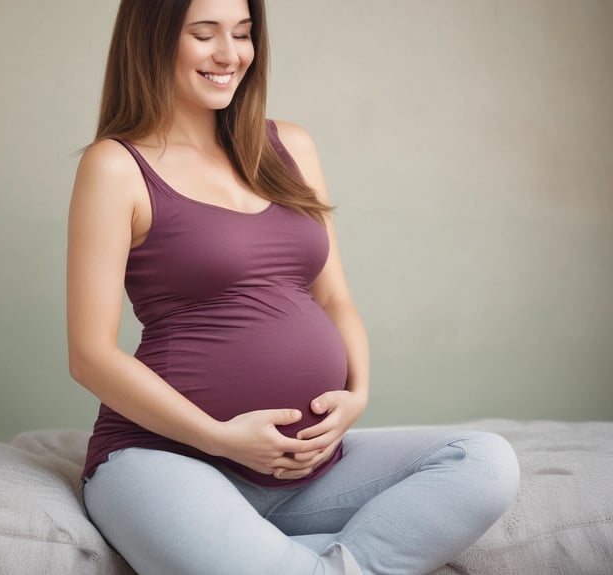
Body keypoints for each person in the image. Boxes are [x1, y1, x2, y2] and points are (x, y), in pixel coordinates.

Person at [66, 1, 520, 573]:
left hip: (309, 469)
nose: (230, 55)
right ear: (153, 40)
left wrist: (358, 396)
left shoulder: (289, 147)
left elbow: (334, 298)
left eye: (243, 34)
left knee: (482, 461)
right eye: (204, 35)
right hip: (165, 458)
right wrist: (219, 437)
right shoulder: (116, 166)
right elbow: (90, 356)